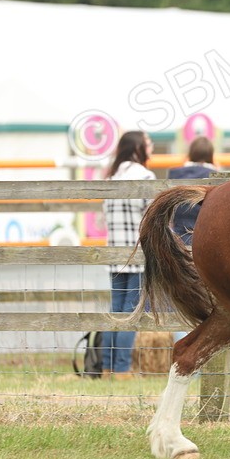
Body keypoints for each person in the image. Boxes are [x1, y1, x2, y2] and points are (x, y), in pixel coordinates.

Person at [166, 136, 230, 373]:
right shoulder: (220, 179)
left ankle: (184, 366)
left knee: (185, 309)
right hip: (211, 249)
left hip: (179, 247)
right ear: (212, 155)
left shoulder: (174, 176)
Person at [101, 131, 155, 380]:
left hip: (114, 252)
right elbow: (152, 218)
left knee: (115, 310)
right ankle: (122, 369)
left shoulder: (111, 176)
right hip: (137, 252)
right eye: (148, 143)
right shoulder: (145, 177)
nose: (151, 146)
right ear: (137, 148)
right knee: (131, 312)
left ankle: (107, 367)